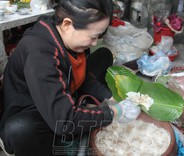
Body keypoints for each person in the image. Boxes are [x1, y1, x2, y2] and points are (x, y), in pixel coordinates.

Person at [0, 0, 140, 155]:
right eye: (93, 36)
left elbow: (82, 76)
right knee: (21, 129)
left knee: (104, 55)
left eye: (98, 36)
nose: (94, 42)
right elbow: (64, 121)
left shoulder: (67, 37)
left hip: (64, 88)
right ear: (67, 25)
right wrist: (112, 112)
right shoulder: (39, 54)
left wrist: (110, 98)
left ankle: (82, 108)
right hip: (36, 111)